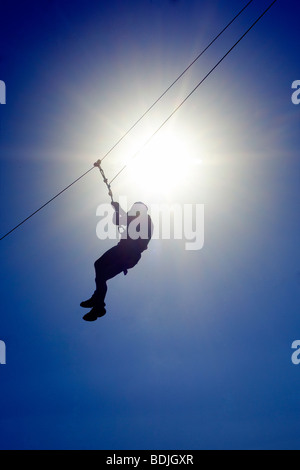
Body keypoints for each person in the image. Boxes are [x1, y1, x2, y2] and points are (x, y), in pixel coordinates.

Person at [81, 201, 153, 321]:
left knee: (100, 269)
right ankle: (98, 302)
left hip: (127, 253)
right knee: (100, 273)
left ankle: (98, 303)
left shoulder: (144, 219)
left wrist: (118, 208)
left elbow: (121, 220)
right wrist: (117, 209)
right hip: (124, 251)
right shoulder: (141, 219)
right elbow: (121, 220)